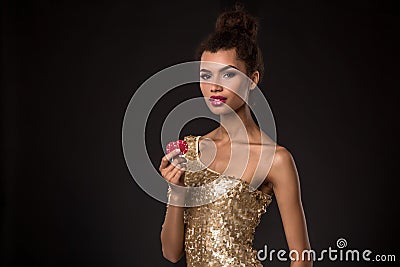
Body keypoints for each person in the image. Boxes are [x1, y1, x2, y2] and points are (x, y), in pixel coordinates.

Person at [159, 4, 312, 267]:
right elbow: (172, 253)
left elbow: (302, 258)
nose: (214, 86)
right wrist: (176, 190)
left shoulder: (275, 159)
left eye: (228, 74)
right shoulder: (192, 149)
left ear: (252, 79)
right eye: (206, 75)